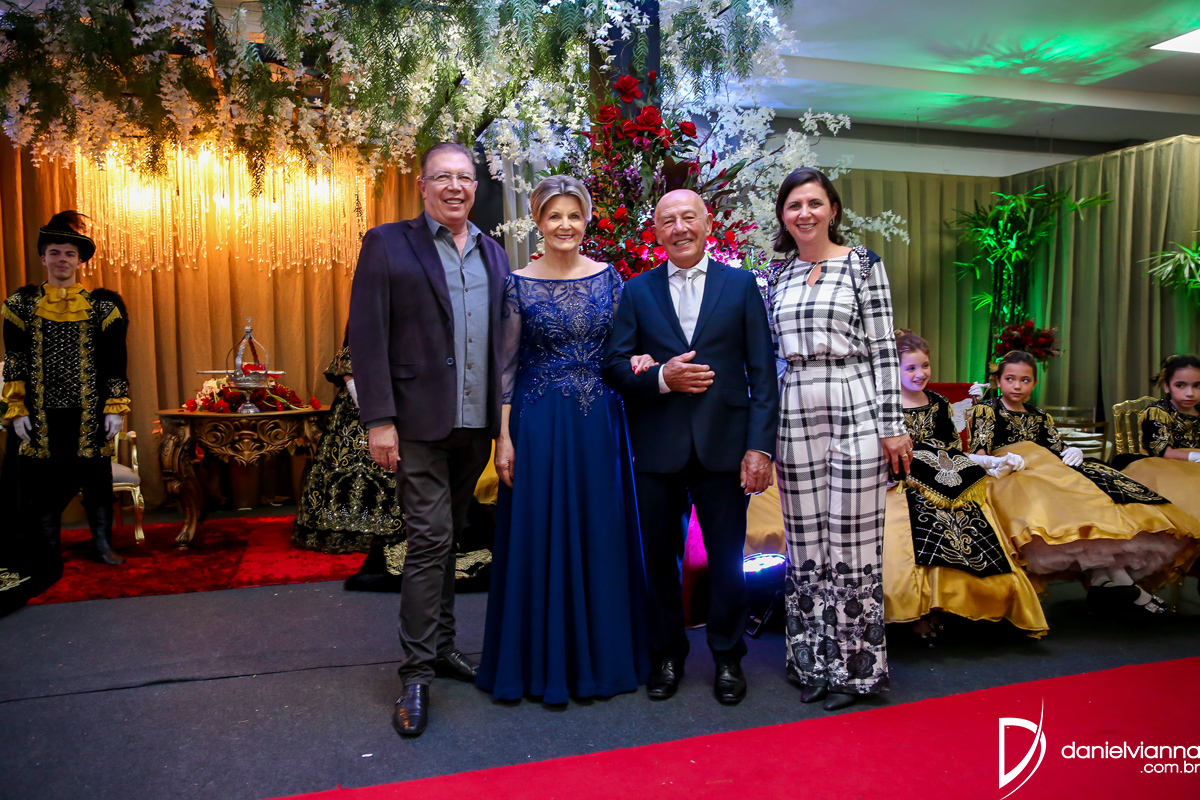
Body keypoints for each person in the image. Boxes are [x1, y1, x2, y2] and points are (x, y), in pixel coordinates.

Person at [348, 142, 511, 738]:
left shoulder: (494, 253)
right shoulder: (388, 243)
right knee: (430, 539)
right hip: (414, 423)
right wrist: (379, 420)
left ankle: (442, 648)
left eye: (464, 178)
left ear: (475, 187)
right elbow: (366, 335)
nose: (454, 187)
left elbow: (504, 342)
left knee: (450, 537)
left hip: (474, 423)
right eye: (442, 177)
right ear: (422, 186)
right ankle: (415, 672)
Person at [476, 176, 651, 703]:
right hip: (539, 424)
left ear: (587, 220)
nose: (565, 225)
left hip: (600, 423)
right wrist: (504, 439)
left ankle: (605, 659)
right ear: (538, 221)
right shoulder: (517, 284)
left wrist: (643, 358)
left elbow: (625, 350)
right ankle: (539, 663)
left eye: (574, 215)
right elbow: (506, 368)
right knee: (540, 533)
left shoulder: (609, 279)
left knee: (602, 530)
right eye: (554, 216)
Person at [604, 189, 779, 707]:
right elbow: (614, 366)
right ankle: (667, 655)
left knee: (727, 560)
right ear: (656, 232)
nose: (679, 227)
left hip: (725, 446)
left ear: (707, 224)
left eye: (688, 217)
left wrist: (759, 448)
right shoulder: (637, 291)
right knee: (660, 561)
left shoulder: (741, 285)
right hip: (657, 448)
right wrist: (661, 377)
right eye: (667, 220)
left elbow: (762, 374)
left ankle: (727, 656)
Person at [767, 167, 910, 711]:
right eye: (794, 205)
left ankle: (855, 669)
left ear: (833, 209)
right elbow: (770, 355)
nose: (804, 213)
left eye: (814, 203)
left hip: (855, 401)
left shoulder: (863, 265)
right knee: (804, 542)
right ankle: (812, 663)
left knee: (851, 540)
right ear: (783, 216)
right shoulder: (774, 275)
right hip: (795, 405)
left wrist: (892, 427)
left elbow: (884, 349)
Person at [968, 351, 1200, 616]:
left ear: (1034, 384)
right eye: (1010, 379)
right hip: (1010, 471)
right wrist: (998, 462)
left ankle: (1109, 579)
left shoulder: (1040, 415)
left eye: (1025, 380)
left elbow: (1056, 447)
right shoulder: (988, 409)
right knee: (1052, 502)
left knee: (1097, 494)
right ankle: (1117, 581)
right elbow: (980, 451)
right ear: (998, 381)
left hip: (1046, 467)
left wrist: (1071, 451)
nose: (1017, 386)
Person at [1, 210, 131, 616]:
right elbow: (14, 359)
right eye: (55, 252)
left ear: (80, 261)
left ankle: (102, 544)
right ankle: (47, 550)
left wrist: (115, 407)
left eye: (70, 254)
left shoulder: (104, 305)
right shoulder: (20, 304)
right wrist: (16, 408)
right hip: (39, 414)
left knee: (95, 478)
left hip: (89, 412)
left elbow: (116, 361)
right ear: (43, 258)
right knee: (40, 483)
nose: (62, 260)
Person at [883, 331, 1047, 640]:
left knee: (971, 520)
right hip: (902, 482)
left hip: (945, 480)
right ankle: (919, 610)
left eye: (925, 366)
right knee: (908, 532)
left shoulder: (939, 403)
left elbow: (953, 449)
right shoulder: (885, 407)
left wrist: (984, 462)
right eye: (911, 368)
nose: (920, 374)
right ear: (894, 369)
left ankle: (959, 603)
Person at [290, 336, 408, 590]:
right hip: (361, 409)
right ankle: (344, 528)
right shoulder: (365, 322)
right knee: (348, 468)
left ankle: (392, 529)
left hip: (400, 403)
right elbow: (348, 366)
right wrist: (369, 408)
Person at [1121, 355, 1200, 526]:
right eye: (1180, 385)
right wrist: (1196, 456)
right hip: (1164, 466)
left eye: (1197, 385)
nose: (1190, 393)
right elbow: (1162, 451)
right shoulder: (1158, 412)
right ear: (1167, 386)